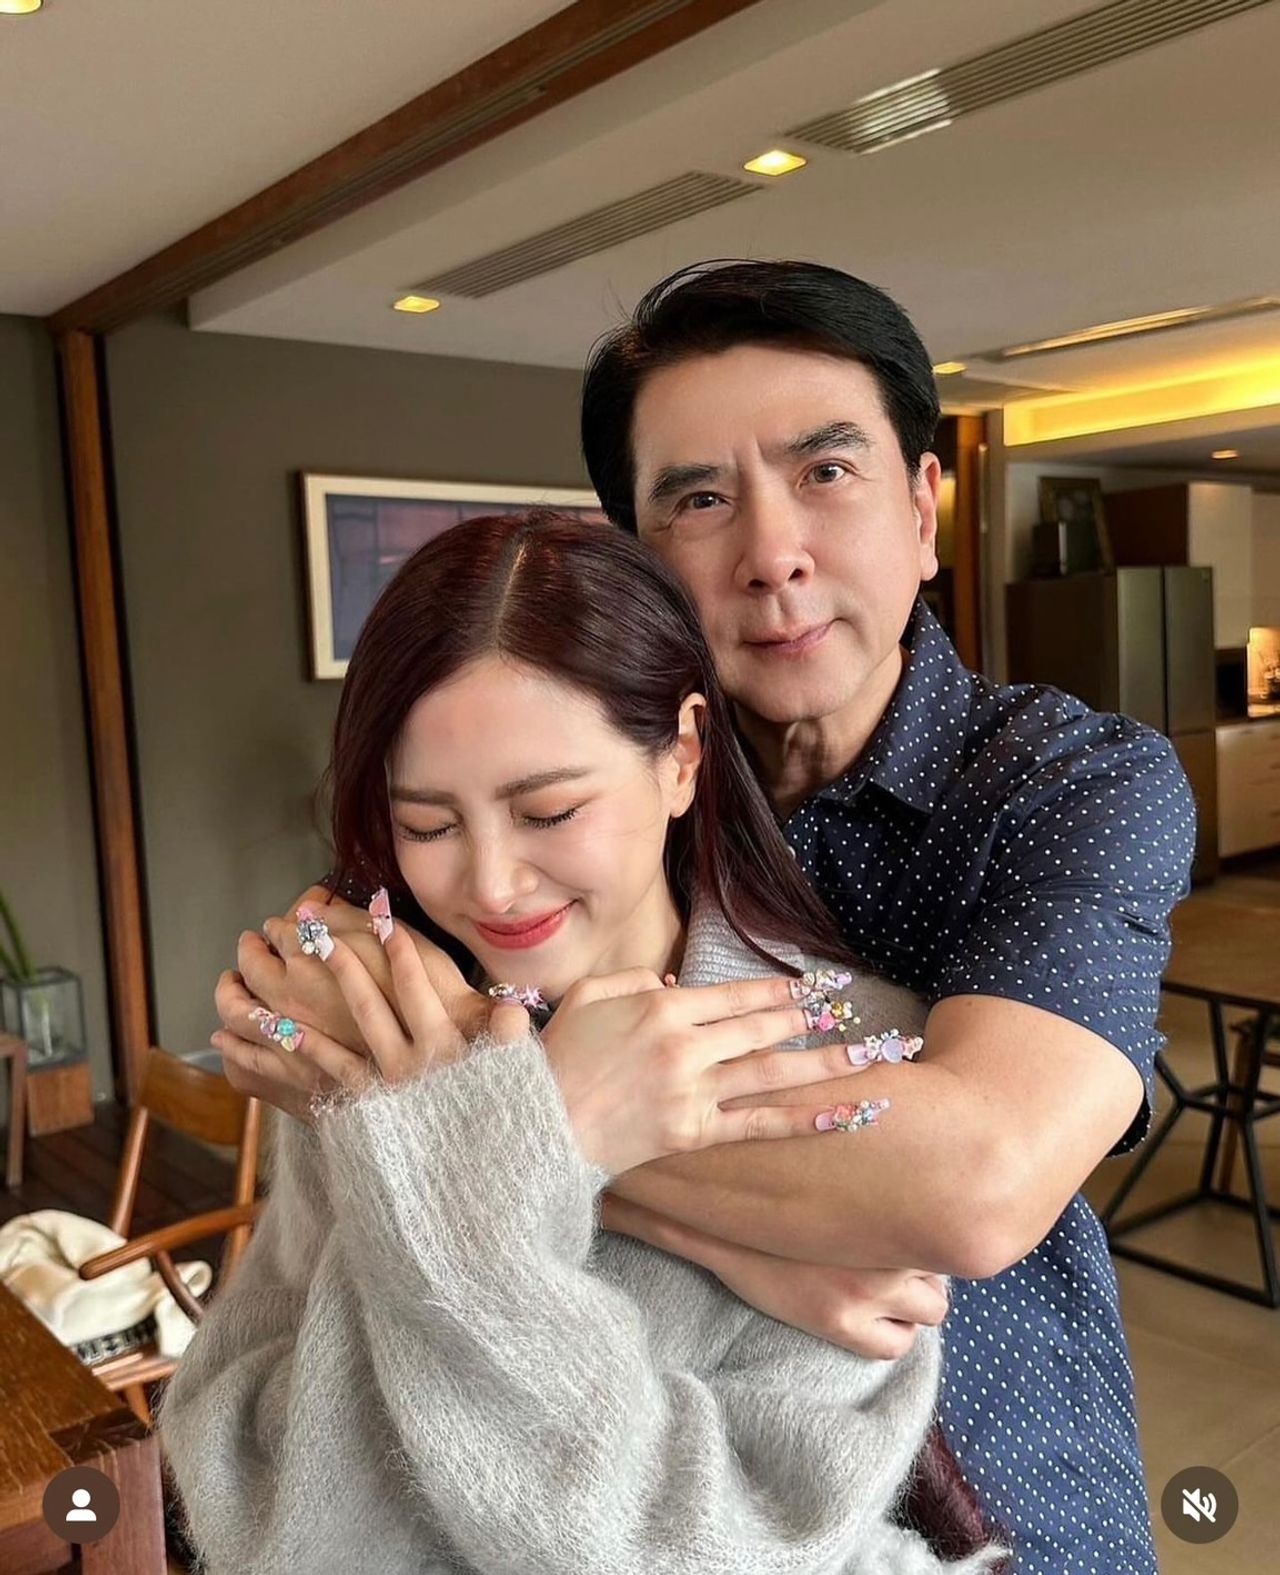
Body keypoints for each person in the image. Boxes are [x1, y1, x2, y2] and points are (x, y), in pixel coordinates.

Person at [217, 261, 1196, 1572]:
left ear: (922, 508)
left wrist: (440, 1092)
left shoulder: (1063, 779)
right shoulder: (582, 786)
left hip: (1011, 1486)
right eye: (698, 498)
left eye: (826, 471)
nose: (772, 553)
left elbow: (975, 1184)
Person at [161, 512, 1007, 1574]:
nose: (491, 885)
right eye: (427, 825)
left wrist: (465, 1143)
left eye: (549, 811)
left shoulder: (850, 1058)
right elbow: (252, 1491)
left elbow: (717, 1548)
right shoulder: (378, 1024)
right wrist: (521, 1127)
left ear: (682, 755)